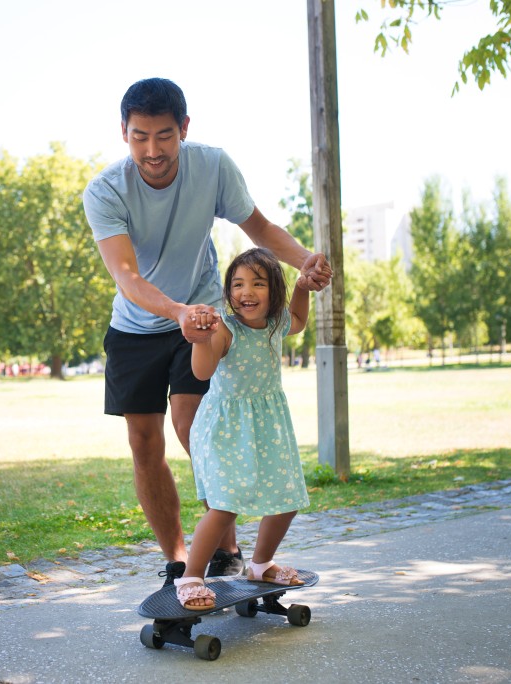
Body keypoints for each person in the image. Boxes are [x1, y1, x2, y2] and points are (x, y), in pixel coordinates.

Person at [83, 77, 332, 586]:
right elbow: (127, 276)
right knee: (143, 441)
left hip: (204, 316)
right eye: (140, 137)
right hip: (138, 323)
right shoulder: (106, 191)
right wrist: (174, 310)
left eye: (165, 136)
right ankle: (178, 557)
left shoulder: (212, 165)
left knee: (193, 423)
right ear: (124, 133)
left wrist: (306, 260)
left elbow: (259, 228)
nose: (152, 150)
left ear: (184, 129)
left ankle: (226, 549)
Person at [176, 247, 312, 609]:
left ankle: (260, 563)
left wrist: (302, 286)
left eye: (257, 283)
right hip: (225, 428)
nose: (245, 292)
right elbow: (202, 373)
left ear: (274, 292)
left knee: (287, 498)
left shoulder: (276, 322)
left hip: (268, 426)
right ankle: (191, 576)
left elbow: (299, 318)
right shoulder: (224, 328)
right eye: (237, 284)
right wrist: (201, 338)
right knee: (224, 505)